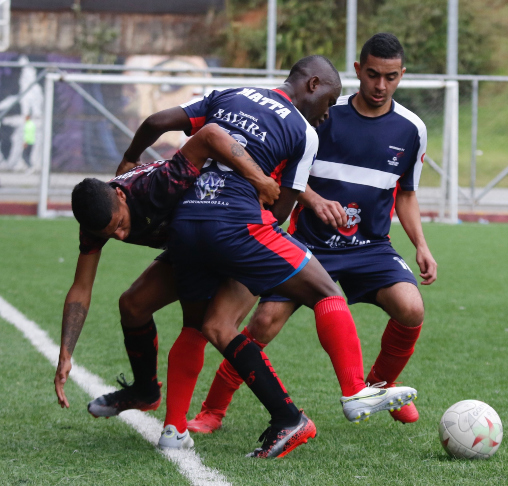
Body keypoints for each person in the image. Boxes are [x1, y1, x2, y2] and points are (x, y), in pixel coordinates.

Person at [160, 54, 417, 456]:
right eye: (371, 74)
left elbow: (163, 124)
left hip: (193, 220)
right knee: (302, 303)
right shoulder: (310, 125)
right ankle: (352, 392)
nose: (327, 114)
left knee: (205, 324)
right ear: (324, 82)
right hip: (257, 230)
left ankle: (176, 428)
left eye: (390, 76)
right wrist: (295, 197)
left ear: (401, 76)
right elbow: (283, 199)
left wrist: (130, 161)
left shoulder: (232, 95)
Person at [53, 123, 279, 412]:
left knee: (216, 327)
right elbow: (81, 287)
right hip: (189, 249)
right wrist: (66, 352)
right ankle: (145, 392)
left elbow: (209, 135)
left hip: (233, 234)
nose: (120, 236)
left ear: (121, 196)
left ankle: (286, 416)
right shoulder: (96, 224)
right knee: (133, 306)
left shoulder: (159, 184)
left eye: (120, 225)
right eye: (111, 234)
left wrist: (259, 179)